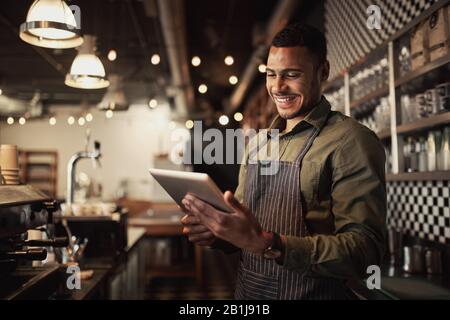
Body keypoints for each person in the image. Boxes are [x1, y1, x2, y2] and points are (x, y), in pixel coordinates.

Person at [181, 23, 387, 300]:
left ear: (323, 71)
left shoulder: (351, 141)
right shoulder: (257, 144)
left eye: (292, 74)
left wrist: (269, 244)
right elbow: (244, 229)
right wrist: (218, 233)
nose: (278, 87)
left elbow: (366, 251)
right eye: (271, 74)